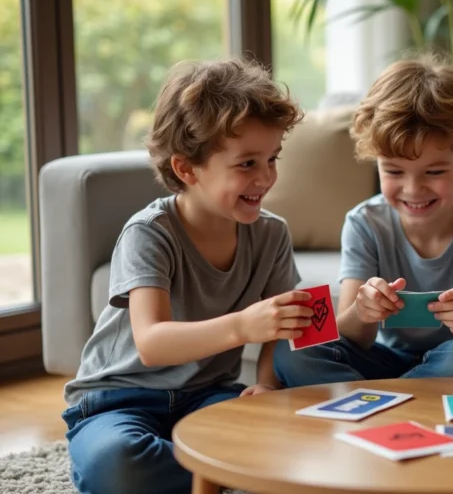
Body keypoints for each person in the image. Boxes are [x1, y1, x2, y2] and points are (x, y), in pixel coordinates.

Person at [61, 58, 315, 494]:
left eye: (272, 158)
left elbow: (280, 330)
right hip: (118, 400)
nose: (266, 176)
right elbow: (153, 342)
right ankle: (214, 471)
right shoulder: (149, 234)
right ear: (186, 169)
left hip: (206, 395)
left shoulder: (272, 233)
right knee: (118, 462)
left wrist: (267, 385)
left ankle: (210, 468)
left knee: (287, 432)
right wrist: (242, 325)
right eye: (247, 163)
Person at [273, 55, 453, 386]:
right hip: (384, 361)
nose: (413, 189)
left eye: (434, 172)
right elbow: (357, 338)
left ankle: (377, 403)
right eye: (393, 171)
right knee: (291, 350)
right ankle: (398, 401)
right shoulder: (365, 223)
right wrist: (362, 311)